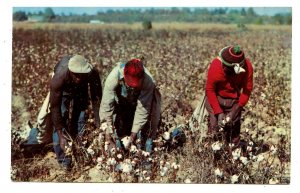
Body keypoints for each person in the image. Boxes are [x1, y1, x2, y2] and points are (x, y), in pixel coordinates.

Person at [22, 55, 102, 169]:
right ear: (70, 71)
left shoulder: (91, 73)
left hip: (81, 89)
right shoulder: (59, 77)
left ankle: (79, 151)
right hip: (64, 89)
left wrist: (99, 124)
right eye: (76, 75)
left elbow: (96, 100)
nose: (78, 79)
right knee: (61, 121)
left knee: (80, 117)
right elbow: (55, 108)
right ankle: (64, 161)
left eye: (81, 75)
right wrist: (60, 133)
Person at [100, 58, 161, 153]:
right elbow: (107, 107)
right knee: (116, 125)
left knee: (151, 120)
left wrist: (133, 135)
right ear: (124, 75)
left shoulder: (148, 81)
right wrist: (108, 135)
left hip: (140, 99)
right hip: (122, 99)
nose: (132, 86)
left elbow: (143, 109)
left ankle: (146, 146)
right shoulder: (113, 77)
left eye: (135, 84)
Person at [205, 45, 253, 146]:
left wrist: (236, 109)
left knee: (233, 131)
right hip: (216, 98)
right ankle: (212, 153)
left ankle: (232, 152)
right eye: (223, 65)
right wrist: (218, 112)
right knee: (214, 129)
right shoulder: (216, 66)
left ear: (236, 69)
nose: (223, 68)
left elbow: (247, 91)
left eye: (226, 68)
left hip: (233, 101)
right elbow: (210, 90)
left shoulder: (247, 68)